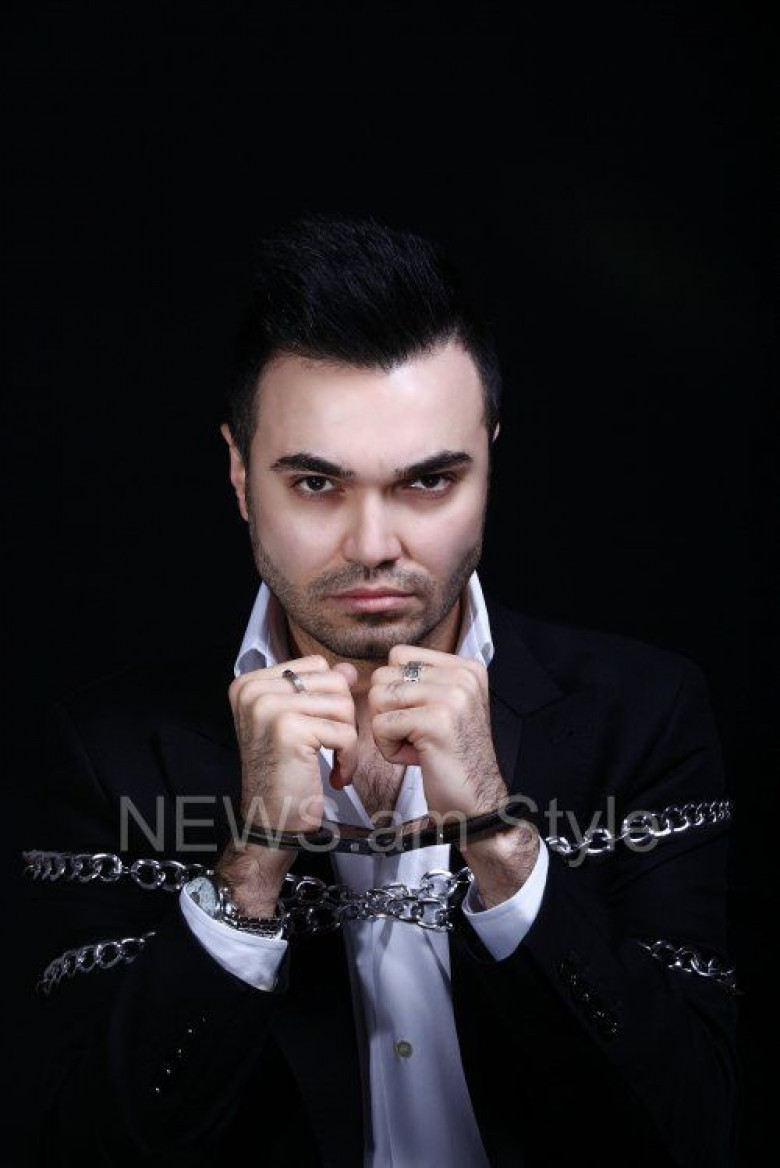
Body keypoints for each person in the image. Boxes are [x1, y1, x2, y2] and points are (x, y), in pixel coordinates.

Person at [20, 214, 740, 1167]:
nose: (371, 546)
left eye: (428, 482)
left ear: (489, 463)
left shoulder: (645, 716)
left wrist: (501, 840)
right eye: (316, 484)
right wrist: (252, 863)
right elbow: (80, 1143)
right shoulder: (106, 753)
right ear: (239, 473)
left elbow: (695, 1132)